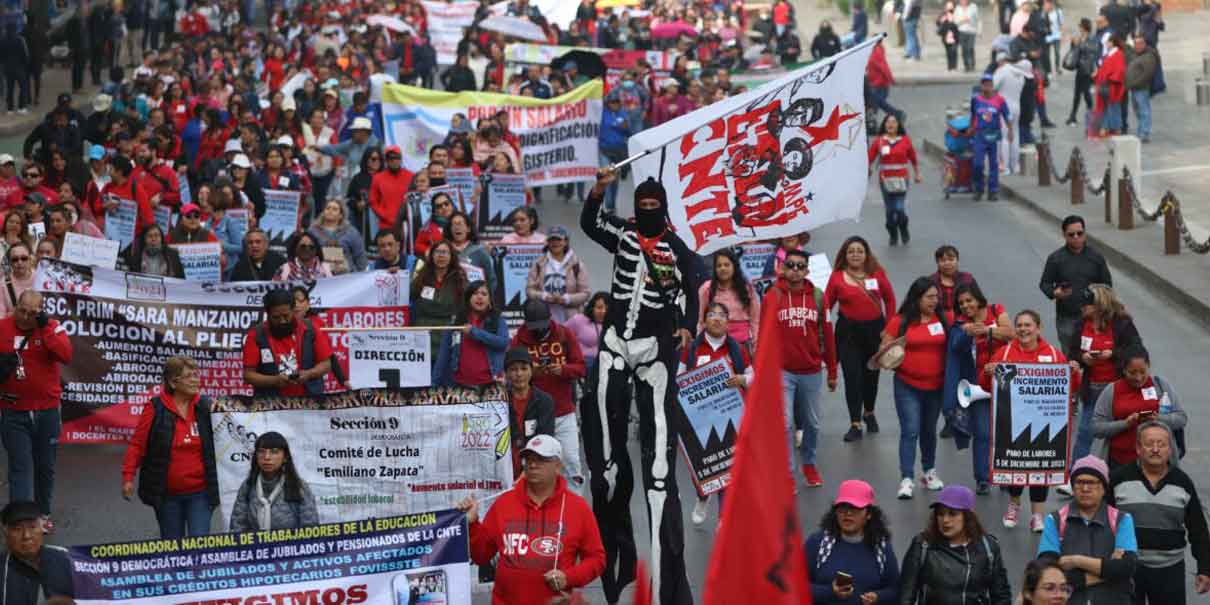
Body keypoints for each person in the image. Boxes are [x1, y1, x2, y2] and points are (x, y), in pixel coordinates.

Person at [579, 169, 698, 605]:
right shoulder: (624, 233)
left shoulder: (676, 245)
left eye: (653, 209)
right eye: (642, 208)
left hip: (654, 346)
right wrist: (598, 188)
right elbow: (590, 223)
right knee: (605, 449)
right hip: (614, 340)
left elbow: (694, 281)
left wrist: (687, 327)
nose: (646, 214)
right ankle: (614, 546)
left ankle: (667, 583)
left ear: (662, 209)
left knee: (659, 464)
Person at [457, 434, 605, 604]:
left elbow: (597, 559)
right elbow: (481, 556)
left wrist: (569, 577)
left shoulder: (578, 508)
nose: (533, 465)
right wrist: (473, 524)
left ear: (558, 466)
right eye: (528, 459)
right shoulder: (504, 503)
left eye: (541, 460)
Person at [985, 310, 1072, 531]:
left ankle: (1037, 516)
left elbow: (1069, 389)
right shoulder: (1004, 354)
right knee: (1016, 465)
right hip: (1011, 422)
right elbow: (988, 387)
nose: (1023, 329)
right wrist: (988, 372)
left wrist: (1074, 373)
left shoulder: (1053, 354)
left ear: (1038, 327)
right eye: (1020, 325)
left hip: (1043, 422)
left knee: (1040, 469)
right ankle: (1013, 506)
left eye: (1028, 325)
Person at [121, 356, 218, 538]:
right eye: (189, 376)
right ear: (173, 382)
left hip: (202, 493)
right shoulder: (154, 408)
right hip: (166, 495)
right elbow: (137, 444)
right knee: (173, 549)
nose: (196, 379)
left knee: (200, 546)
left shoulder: (207, 406)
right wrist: (128, 476)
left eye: (197, 374)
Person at [0, 291, 71, 535]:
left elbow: (66, 355)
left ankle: (42, 513)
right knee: (20, 467)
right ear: (16, 306)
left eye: (32, 313)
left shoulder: (52, 327)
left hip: (47, 411)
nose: (26, 317)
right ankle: (20, 520)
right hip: (13, 411)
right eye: (22, 310)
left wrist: (46, 329)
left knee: (45, 466)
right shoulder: (2, 327)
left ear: (40, 312)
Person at [765, 248, 837, 486]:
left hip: (811, 370)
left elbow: (827, 333)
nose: (795, 270)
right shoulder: (772, 296)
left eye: (800, 266)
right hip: (782, 370)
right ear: (783, 269)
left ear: (807, 270)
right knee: (785, 424)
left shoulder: (818, 297)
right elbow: (764, 335)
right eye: (791, 265)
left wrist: (833, 370)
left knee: (812, 423)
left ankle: (809, 463)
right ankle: (788, 474)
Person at [680, 302, 753, 525]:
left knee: (727, 469)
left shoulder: (737, 350)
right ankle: (703, 497)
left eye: (722, 315)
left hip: (730, 420)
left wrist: (742, 380)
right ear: (704, 321)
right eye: (712, 315)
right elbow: (678, 379)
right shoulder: (691, 349)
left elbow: (754, 376)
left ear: (728, 322)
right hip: (699, 421)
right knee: (702, 468)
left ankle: (723, 519)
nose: (717, 319)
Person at [876, 277, 949, 499]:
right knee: (910, 430)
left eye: (936, 297)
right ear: (917, 298)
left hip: (936, 386)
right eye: (929, 297)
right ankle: (906, 478)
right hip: (907, 385)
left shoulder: (943, 319)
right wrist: (891, 353)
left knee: (929, 430)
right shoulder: (900, 321)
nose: (934, 301)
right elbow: (883, 348)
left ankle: (928, 472)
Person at [1037, 455, 1138, 605]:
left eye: (1091, 483)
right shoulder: (1055, 521)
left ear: (1104, 488)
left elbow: (1127, 567)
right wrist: (1109, 571)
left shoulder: (1122, 520)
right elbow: (1048, 574)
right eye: (1079, 482)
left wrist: (1076, 561)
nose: (1085, 488)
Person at [825, 236, 894, 442]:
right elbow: (827, 305)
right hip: (848, 334)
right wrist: (822, 331)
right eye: (851, 251)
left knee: (871, 376)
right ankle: (855, 423)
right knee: (852, 378)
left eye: (859, 251)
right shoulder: (837, 277)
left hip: (875, 331)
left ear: (866, 254)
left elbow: (890, 300)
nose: (855, 254)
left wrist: (889, 329)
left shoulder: (877, 274)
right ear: (845, 255)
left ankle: (869, 412)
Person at [1066, 285, 1141, 471]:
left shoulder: (1122, 323)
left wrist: (1113, 354)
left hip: (1118, 388)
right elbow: (1073, 351)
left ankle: (1124, 473)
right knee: (1085, 432)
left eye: (1087, 304)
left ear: (1100, 304)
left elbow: (1137, 351)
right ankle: (1075, 473)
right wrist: (1082, 359)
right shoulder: (1081, 324)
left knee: (1122, 433)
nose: (1082, 307)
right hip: (1092, 387)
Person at [898, 485, 1012, 604]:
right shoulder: (922, 545)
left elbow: (1001, 596)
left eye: (952, 514)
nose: (945, 520)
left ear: (967, 517)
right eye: (940, 514)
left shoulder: (989, 547)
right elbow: (905, 596)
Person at [951, 283, 1012, 494]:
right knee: (983, 432)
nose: (966, 306)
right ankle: (983, 478)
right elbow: (955, 347)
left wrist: (988, 330)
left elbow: (1011, 333)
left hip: (1003, 381)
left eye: (969, 301)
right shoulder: (961, 322)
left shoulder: (996, 310)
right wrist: (966, 333)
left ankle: (1005, 474)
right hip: (976, 384)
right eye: (961, 303)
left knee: (1005, 432)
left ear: (978, 299)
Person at [1089, 345, 1185, 470]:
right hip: (1120, 463)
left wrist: (1158, 419)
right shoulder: (1112, 390)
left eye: (1143, 372)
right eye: (1132, 373)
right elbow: (1096, 427)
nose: (1138, 378)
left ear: (1149, 365)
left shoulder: (1161, 386)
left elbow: (1181, 418)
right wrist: (1125, 423)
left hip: (1158, 464)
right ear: (1124, 370)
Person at [804, 480, 900, 604]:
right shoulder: (817, 543)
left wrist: (878, 597)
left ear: (869, 514)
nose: (847, 513)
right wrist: (830, 592)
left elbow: (895, 589)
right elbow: (795, 585)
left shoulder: (881, 546)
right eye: (842, 508)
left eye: (855, 508)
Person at [1039, 215, 1113, 358]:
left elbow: (1107, 286)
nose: (1076, 237)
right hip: (1067, 317)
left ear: (1085, 233)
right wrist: (1055, 293)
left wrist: (1098, 305)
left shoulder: (1096, 257)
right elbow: (1044, 284)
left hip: (1094, 318)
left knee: (1092, 356)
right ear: (1064, 235)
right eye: (1071, 234)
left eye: (1080, 233)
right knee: (1071, 357)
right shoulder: (1056, 258)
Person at [241, 289, 332, 397]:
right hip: (271, 406)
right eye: (276, 317)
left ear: (293, 310)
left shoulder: (310, 329)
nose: (282, 321)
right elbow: (248, 375)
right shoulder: (256, 335)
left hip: (309, 403)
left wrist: (309, 374)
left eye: (286, 316)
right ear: (267, 313)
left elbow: (326, 364)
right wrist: (274, 380)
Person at [228, 432, 319, 531]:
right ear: (256, 457)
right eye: (261, 451)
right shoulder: (248, 486)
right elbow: (237, 528)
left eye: (274, 452)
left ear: (285, 457)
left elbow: (311, 531)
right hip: (256, 545)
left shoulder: (299, 486)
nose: (267, 457)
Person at [433, 280, 509, 387]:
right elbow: (443, 356)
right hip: (459, 385)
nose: (479, 297)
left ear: (489, 299)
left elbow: (503, 342)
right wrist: (433, 385)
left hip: (491, 383)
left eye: (484, 294)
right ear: (468, 297)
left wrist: (475, 332)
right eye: (475, 293)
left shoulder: (497, 320)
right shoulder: (456, 322)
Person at [0, 501, 74, 604]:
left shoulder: (65, 556)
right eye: (17, 529)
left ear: (42, 528)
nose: (26, 535)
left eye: (32, 527)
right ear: (5, 533)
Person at [868, 113, 920, 246]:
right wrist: (866, 169)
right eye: (888, 122)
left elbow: (913, 158)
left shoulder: (905, 140)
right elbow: (869, 158)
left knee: (899, 208)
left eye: (894, 122)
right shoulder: (879, 141)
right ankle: (892, 233)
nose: (891, 124)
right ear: (884, 125)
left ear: (898, 125)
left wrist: (917, 174)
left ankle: (903, 228)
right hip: (885, 180)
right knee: (890, 210)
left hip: (902, 179)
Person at [410, 241, 468, 356]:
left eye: (445, 252)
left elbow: (465, 308)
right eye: (437, 252)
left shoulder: (460, 280)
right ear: (431, 256)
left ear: (452, 257)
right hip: (422, 337)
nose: (441, 255)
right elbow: (407, 295)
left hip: (447, 337)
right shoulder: (420, 277)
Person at [698, 248, 761, 350]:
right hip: (715, 345)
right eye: (719, 266)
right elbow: (701, 321)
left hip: (742, 345)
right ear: (715, 269)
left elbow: (755, 320)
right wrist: (699, 346)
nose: (723, 268)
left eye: (727, 265)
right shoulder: (706, 289)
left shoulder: (747, 288)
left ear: (734, 267)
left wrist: (756, 345)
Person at [526, 226, 590, 324]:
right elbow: (529, 291)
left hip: (571, 320)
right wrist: (544, 296)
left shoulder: (577, 265)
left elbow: (586, 293)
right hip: (544, 319)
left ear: (565, 242)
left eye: (559, 239)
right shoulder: (538, 264)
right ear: (547, 242)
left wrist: (566, 299)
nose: (555, 243)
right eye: (552, 240)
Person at [968, 73, 1012, 201]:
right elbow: (973, 114)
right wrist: (971, 127)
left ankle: (993, 191)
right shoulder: (976, 100)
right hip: (979, 135)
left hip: (994, 134)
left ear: (992, 85)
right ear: (981, 86)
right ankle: (979, 188)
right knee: (978, 164)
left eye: (989, 84)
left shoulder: (1000, 100)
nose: (987, 87)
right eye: (984, 84)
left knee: (994, 164)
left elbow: (1007, 115)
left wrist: (1010, 130)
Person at [307, 198, 367, 274]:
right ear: (323, 212)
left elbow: (360, 256)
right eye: (328, 208)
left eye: (335, 209)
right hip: (320, 276)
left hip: (346, 277)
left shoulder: (351, 232)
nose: (330, 211)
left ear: (341, 215)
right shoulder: (313, 231)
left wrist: (358, 276)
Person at [368, 145, 413, 235]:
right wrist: (385, 216)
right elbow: (373, 201)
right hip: (386, 224)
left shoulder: (411, 176)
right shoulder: (378, 178)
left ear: (400, 159)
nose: (393, 160)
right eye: (390, 158)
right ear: (386, 160)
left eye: (396, 157)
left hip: (407, 224)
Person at [1124, 35, 1159, 144]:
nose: (1137, 46)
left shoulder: (1148, 56)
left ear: (1144, 44)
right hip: (1134, 88)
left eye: (1140, 44)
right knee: (1138, 111)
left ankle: (1145, 133)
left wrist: (1135, 83)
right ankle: (1141, 130)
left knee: (1144, 111)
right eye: (1135, 44)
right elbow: (1126, 51)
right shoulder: (1135, 54)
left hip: (1141, 88)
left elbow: (1147, 74)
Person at [1066, 19, 1098, 126]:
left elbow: (1093, 50)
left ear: (1084, 27)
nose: (1079, 28)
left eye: (1080, 26)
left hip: (1087, 70)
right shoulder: (1080, 38)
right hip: (1080, 69)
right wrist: (1073, 43)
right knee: (1077, 94)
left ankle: (1091, 115)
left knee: (1086, 94)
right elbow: (1075, 51)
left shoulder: (1092, 38)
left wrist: (1080, 44)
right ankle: (1072, 116)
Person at [928, 245, 979, 314]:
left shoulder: (967, 279)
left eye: (951, 260)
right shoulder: (930, 281)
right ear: (937, 263)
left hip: (965, 316)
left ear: (957, 260)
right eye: (943, 260)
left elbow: (979, 300)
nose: (947, 263)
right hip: (938, 319)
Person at [1093, 35, 1127, 137]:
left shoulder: (1118, 54)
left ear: (1112, 43)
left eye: (1108, 42)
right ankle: (1107, 127)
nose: (1106, 44)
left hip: (1112, 86)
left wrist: (1109, 78)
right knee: (1107, 107)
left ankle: (1113, 128)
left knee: (1113, 107)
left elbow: (1120, 70)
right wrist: (1097, 75)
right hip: (1106, 85)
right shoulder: (1108, 55)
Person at [566, 292, 607, 371]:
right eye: (599, 308)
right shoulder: (579, 320)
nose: (603, 311)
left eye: (607, 308)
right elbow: (560, 333)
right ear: (592, 308)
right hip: (584, 364)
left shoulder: (614, 325)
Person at [0, 243, 36, 319]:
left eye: (24, 258)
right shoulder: (3, 284)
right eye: (15, 259)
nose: (20, 262)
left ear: (30, 259)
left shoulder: (39, 278)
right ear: (10, 262)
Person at [953, 0, 979, 71]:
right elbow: (955, 21)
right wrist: (962, 20)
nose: (963, 1)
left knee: (970, 48)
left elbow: (977, 19)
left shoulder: (973, 7)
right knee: (964, 49)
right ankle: (966, 65)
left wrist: (978, 29)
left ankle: (972, 64)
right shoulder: (958, 8)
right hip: (962, 31)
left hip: (971, 31)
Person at [936, 3, 960, 71]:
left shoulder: (956, 14)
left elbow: (958, 24)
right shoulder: (943, 15)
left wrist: (953, 20)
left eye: (951, 8)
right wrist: (941, 20)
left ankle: (954, 67)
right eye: (948, 8)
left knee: (954, 51)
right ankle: (949, 67)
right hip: (946, 36)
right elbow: (937, 23)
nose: (949, 10)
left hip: (954, 36)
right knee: (948, 52)